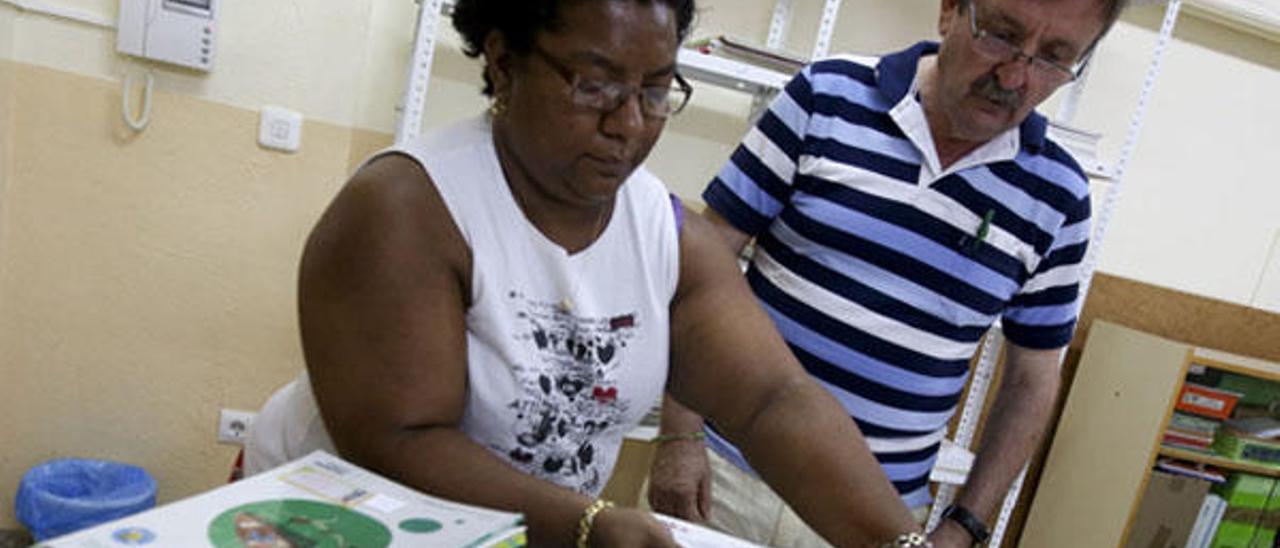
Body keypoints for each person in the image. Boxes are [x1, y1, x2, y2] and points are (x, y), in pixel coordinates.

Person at [244, 0, 927, 546]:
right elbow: (399, 440)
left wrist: (899, 544)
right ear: (505, 64)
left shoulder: (664, 233)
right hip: (334, 523)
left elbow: (774, 400)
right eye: (594, 85)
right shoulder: (408, 209)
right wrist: (587, 523)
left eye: (656, 90)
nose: (628, 122)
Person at [647, 0, 1129, 546]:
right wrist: (678, 437)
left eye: (1054, 58)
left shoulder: (1059, 198)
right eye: (1000, 35)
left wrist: (965, 526)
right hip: (725, 478)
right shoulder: (826, 97)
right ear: (950, 12)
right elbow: (702, 274)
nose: (1015, 75)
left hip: (874, 520)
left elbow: (1031, 382)